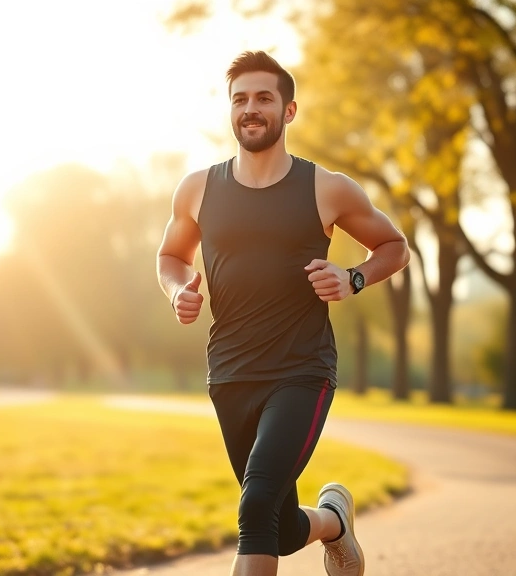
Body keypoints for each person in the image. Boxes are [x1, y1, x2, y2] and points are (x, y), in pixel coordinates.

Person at [156, 50, 410, 576]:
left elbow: (394, 245)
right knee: (276, 520)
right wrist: (178, 289)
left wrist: (353, 277)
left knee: (253, 509)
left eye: (264, 99)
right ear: (230, 111)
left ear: (288, 111)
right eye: (240, 99)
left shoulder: (326, 188)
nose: (251, 109)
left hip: (302, 370)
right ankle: (334, 522)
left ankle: (329, 521)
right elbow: (170, 257)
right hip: (229, 373)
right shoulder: (198, 189)